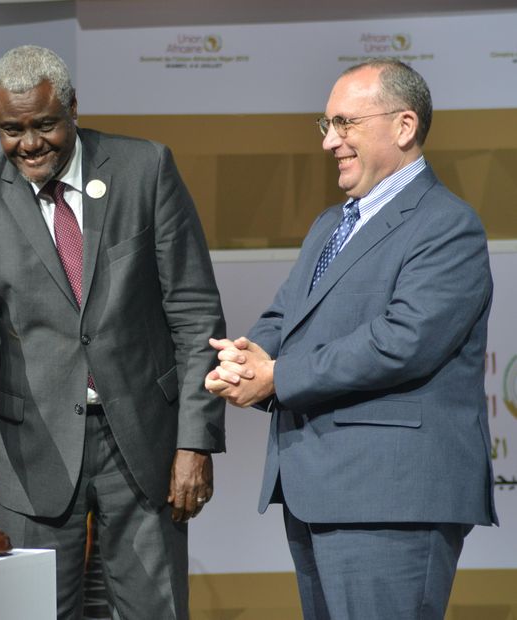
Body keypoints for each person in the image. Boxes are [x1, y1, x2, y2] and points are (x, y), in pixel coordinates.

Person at [0, 45, 226, 619]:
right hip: (32, 451)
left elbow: (195, 312)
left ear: (73, 108)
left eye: (44, 124)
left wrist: (195, 440)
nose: (29, 144)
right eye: (12, 130)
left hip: (143, 444)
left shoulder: (145, 169)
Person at [206, 59, 497, 619]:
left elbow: (402, 342)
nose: (329, 141)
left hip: (391, 498)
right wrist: (247, 358)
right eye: (327, 125)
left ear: (404, 126)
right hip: (317, 487)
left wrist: (277, 377)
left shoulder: (445, 224)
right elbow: (286, 314)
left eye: (345, 123)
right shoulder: (331, 223)